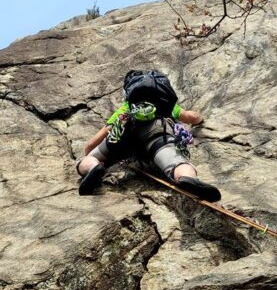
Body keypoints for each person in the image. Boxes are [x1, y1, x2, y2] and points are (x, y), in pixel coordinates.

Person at [76, 69, 221, 202]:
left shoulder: (126, 108)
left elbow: (96, 139)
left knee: (91, 158)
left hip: (126, 135)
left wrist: (90, 155)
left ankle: (92, 167)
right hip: (157, 134)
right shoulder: (166, 105)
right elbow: (191, 117)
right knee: (175, 162)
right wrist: (200, 119)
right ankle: (186, 177)